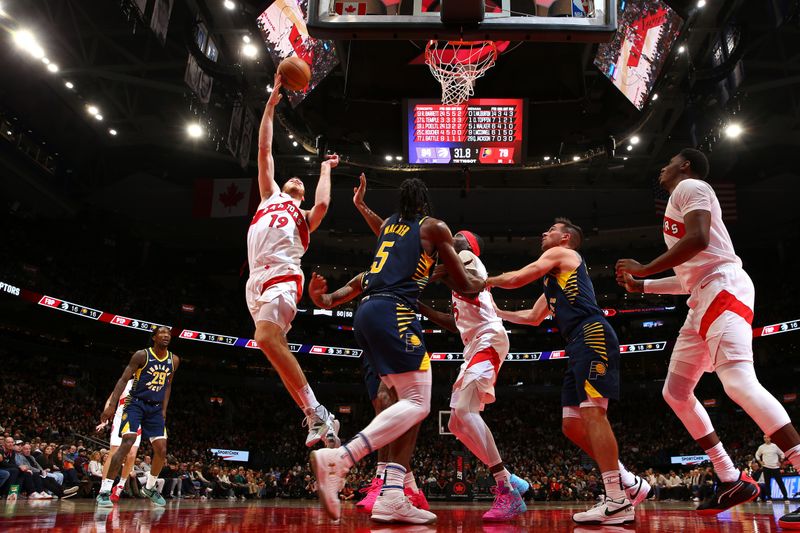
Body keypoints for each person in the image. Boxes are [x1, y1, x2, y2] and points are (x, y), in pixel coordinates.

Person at [616, 148, 800, 526]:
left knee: (738, 383)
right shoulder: (677, 203)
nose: (663, 167)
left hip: (723, 288)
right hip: (701, 297)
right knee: (676, 392)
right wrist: (645, 286)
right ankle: (732, 478)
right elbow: (688, 277)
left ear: (684, 165)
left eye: (669, 161)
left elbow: (699, 240)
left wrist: (645, 266)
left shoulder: (692, 186)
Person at [308, 177, 484, 523]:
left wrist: (361, 206)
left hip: (367, 312)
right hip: (395, 312)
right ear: (426, 203)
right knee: (419, 401)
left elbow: (380, 225)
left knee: (408, 403)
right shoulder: (434, 228)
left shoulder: (391, 226)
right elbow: (465, 284)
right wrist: (465, 277)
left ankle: (391, 493)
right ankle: (340, 459)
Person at [489, 218, 647, 525]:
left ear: (566, 239)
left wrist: (487, 281)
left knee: (593, 414)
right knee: (571, 424)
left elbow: (519, 277)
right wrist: (499, 312)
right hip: (576, 342)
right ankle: (627, 480)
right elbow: (534, 317)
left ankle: (616, 499)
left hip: (592, 334)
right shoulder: (554, 278)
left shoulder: (563, 256)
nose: (544, 232)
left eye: (551, 230)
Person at [246, 72, 340, 448]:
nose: (296, 182)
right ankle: (314, 415)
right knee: (271, 347)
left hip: (283, 276)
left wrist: (324, 169)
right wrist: (270, 105)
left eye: (302, 184)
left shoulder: (303, 216)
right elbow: (264, 151)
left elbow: (323, 204)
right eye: (295, 179)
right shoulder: (269, 196)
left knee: (265, 337)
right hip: (254, 281)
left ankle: (318, 412)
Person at [417, 229, 529, 521]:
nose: (451, 237)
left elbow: (473, 287)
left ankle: (505, 486)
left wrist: (440, 273)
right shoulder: (456, 271)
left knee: (465, 412)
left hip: (488, 338)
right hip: (475, 344)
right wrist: (420, 307)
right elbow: (455, 324)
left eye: (457, 236)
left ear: (469, 246)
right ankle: (509, 479)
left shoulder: (466, 258)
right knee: (456, 422)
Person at [95, 326, 179, 507]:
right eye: (162, 333)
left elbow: (168, 386)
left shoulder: (174, 360)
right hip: (135, 404)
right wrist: (110, 405)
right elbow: (123, 379)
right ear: (154, 337)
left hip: (155, 409)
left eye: (168, 334)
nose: (166, 336)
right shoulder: (142, 355)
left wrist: (164, 410)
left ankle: (149, 487)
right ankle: (104, 491)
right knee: (127, 443)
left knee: (162, 449)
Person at [97, 377, 141, 502]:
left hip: (137, 421)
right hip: (121, 418)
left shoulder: (148, 386)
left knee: (132, 455)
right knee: (114, 452)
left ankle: (119, 487)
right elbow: (111, 400)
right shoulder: (125, 383)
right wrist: (105, 418)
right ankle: (103, 490)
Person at [757, 434, 789, 501]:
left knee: (780, 482)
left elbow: (782, 453)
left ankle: (785, 497)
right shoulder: (761, 447)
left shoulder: (775, 446)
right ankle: (769, 498)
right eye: (764, 438)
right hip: (766, 467)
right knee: (767, 483)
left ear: (770, 438)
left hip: (775, 467)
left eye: (767, 437)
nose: (765, 439)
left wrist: (781, 460)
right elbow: (757, 455)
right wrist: (760, 462)